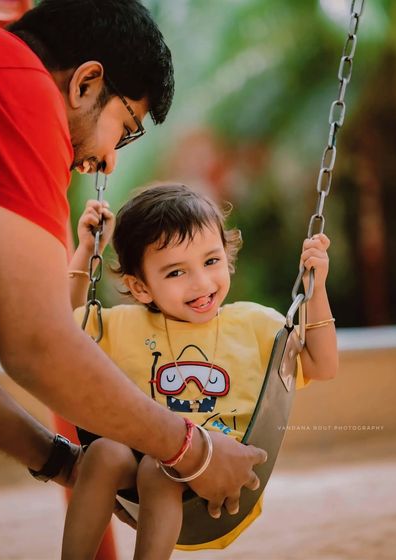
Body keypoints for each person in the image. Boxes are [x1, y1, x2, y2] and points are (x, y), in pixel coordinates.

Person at [0, 0, 266, 519]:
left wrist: (64, 462)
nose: (112, 157)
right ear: (87, 82)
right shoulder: (21, 84)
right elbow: (35, 345)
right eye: (128, 127)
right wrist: (193, 450)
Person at [61, 184, 338, 559]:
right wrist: (85, 252)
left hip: (223, 479)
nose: (202, 283)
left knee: (163, 467)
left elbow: (322, 365)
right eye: (176, 272)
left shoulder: (255, 325)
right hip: (141, 477)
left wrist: (315, 288)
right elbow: (62, 336)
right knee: (102, 453)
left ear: (227, 256)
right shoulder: (122, 326)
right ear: (140, 287)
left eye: (211, 261)